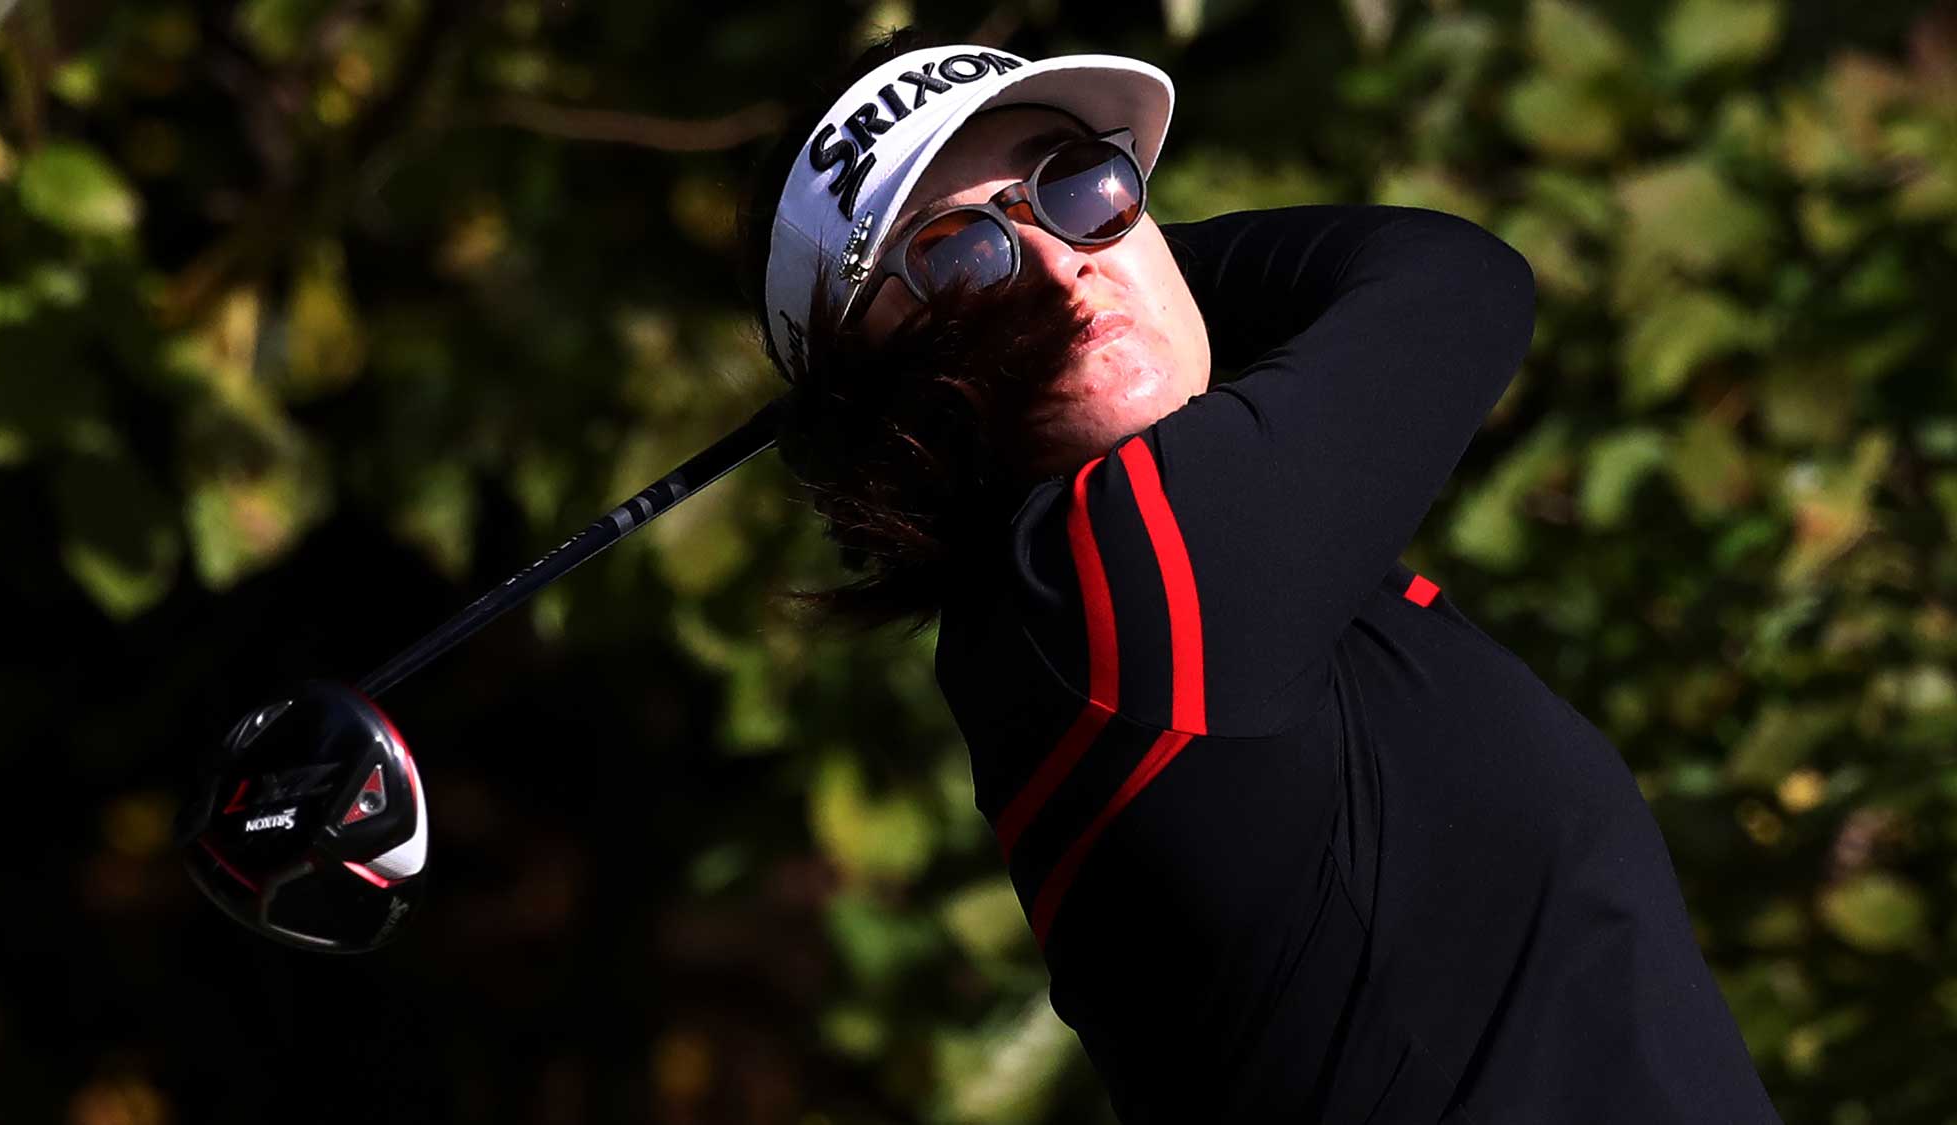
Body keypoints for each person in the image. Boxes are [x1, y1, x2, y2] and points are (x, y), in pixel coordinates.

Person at [739, 30, 1782, 1124]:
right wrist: (1129, 265)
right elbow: (1448, 278)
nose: (1060, 262)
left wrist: (1111, 265)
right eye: (956, 258)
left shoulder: (1166, 603)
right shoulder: (1113, 573)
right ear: (895, 404)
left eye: (1079, 184)